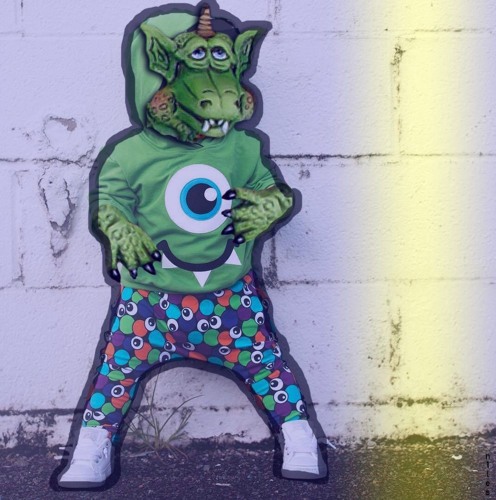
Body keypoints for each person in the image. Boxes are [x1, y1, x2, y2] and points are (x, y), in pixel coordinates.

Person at [59, 3, 325, 488]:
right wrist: (120, 229)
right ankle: (93, 445)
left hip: (230, 299)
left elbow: (272, 190)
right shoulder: (130, 153)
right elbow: (109, 202)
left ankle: (298, 433)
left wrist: (271, 205)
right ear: (157, 72)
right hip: (149, 304)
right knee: (115, 374)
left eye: (220, 60)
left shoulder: (242, 148)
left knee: (267, 366)